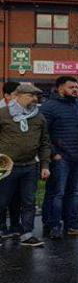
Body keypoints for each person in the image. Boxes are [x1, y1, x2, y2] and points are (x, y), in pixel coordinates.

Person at [39, 75, 78, 239]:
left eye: (77, 87)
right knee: (57, 193)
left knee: (76, 192)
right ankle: (53, 225)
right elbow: (43, 134)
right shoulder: (48, 107)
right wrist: (54, 153)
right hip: (60, 158)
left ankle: (73, 224)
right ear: (60, 88)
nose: (75, 90)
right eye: (71, 87)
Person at [0, 84, 51, 247]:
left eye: (36, 96)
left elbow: (44, 142)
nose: (34, 99)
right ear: (17, 96)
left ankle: (27, 234)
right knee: (2, 201)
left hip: (30, 166)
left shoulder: (39, 117)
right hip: (6, 166)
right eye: (30, 95)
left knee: (29, 201)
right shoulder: (3, 114)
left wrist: (45, 165)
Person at [0, 81, 19, 235]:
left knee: (17, 195)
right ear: (7, 95)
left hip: (20, 160)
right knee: (2, 195)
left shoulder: (23, 111)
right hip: (3, 160)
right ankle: (1, 225)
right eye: (16, 94)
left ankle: (15, 224)